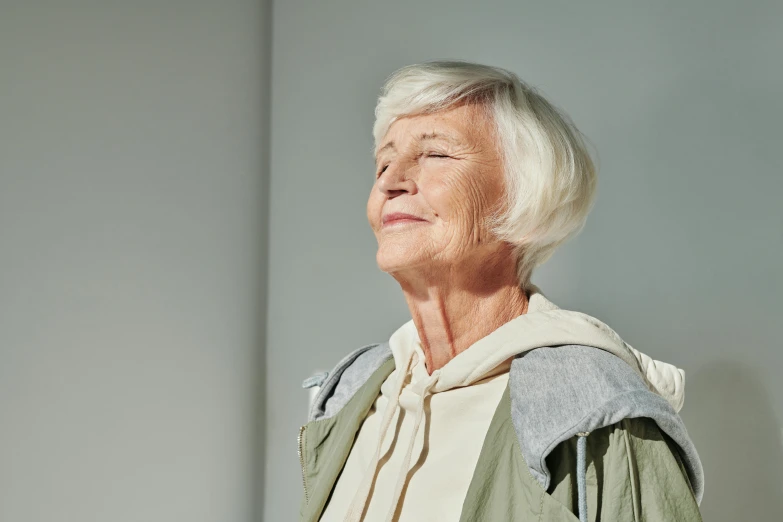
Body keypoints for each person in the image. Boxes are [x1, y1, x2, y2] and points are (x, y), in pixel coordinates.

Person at [298, 61, 704, 522]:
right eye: (384, 161)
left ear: (524, 200)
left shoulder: (598, 414)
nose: (390, 181)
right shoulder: (352, 393)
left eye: (435, 155)